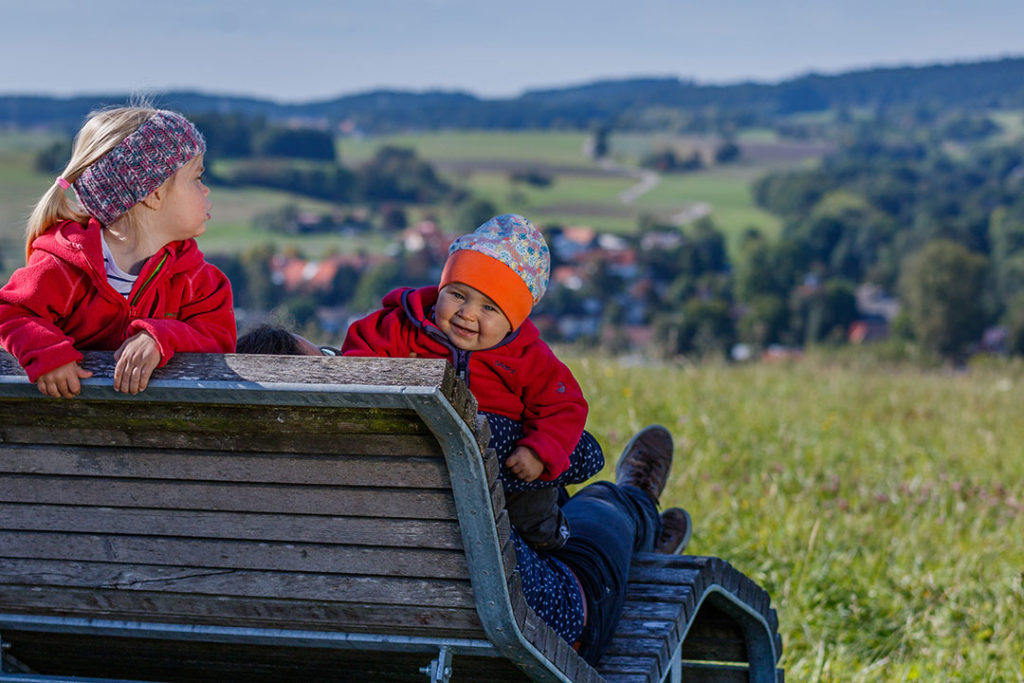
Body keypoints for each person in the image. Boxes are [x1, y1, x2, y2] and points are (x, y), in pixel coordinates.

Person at [235, 323, 693, 662]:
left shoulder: (241, 483)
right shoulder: (418, 436)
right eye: (334, 359)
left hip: (323, 645)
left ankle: (637, 538)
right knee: (602, 503)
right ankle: (638, 510)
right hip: (526, 633)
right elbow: (584, 454)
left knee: (533, 506)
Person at [342, 214, 604, 551]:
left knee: (539, 532)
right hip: (429, 470)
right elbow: (361, 352)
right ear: (441, 287)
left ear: (514, 321)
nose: (467, 313)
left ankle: (566, 535)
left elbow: (564, 406)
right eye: (458, 294)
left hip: (515, 476)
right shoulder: (404, 326)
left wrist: (539, 451)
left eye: (490, 308)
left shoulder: (528, 357)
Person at [0, 106, 236, 397]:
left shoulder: (199, 281)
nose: (206, 190)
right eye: (196, 178)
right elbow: (12, 311)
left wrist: (160, 337)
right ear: (154, 193)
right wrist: (47, 353)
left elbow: (219, 338)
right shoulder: (61, 266)